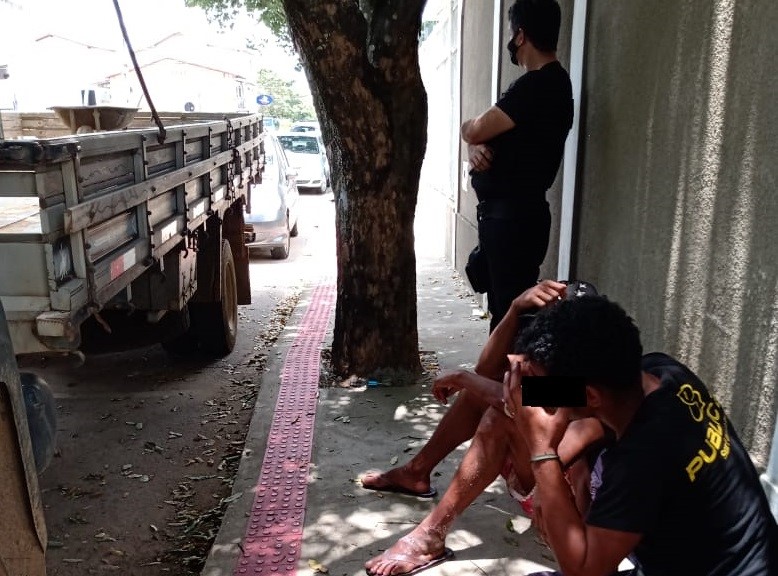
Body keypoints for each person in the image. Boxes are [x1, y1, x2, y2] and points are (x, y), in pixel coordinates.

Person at [506, 296, 778, 576]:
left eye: (541, 382)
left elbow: (585, 572)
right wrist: (525, 394)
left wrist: (543, 455)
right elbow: (597, 414)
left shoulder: (639, 459)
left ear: (590, 395)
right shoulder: (661, 372)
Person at [362, 281, 607, 576]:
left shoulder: (594, 391)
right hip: (540, 482)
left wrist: (465, 379)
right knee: (484, 394)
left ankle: (430, 536)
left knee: (498, 414)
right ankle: (417, 472)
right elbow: (488, 370)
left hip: (565, 514)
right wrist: (516, 307)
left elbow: (515, 399)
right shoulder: (548, 358)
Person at [461, 0, 573, 332]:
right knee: (511, 312)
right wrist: (476, 149)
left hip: (512, 221)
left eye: (513, 33)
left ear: (520, 35)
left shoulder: (536, 85)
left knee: (513, 319)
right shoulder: (552, 85)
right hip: (515, 218)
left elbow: (475, 127)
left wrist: (471, 137)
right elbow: (487, 138)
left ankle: (507, 383)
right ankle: (505, 383)